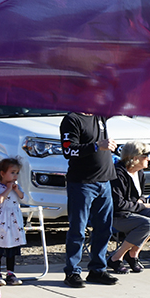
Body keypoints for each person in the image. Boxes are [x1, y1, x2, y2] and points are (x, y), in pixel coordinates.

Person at [60, 111, 118, 287]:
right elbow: (68, 150)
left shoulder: (100, 115)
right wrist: (96, 145)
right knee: (78, 228)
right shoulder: (72, 120)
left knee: (104, 228)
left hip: (104, 181)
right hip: (82, 183)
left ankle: (97, 270)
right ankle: (72, 272)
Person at [107, 141, 150, 274]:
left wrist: (142, 201)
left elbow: (141, 196)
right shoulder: (118, 174)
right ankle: (116, 257)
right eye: (146, 155)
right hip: (117, 216)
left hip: (131, 212)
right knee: (147, 223)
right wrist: (141, 205)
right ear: (135, 158)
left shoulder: (139, 173)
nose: (148, 159)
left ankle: (133, 254)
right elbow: (118, 204)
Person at [0, 157, 26, 285]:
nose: (15, 175)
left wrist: (15, 189)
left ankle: (11, 272)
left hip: (14, 220)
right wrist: (8, 189)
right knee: (0, 245)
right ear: (3, 174)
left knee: (12, 246)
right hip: (1, 220)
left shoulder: (17, 187)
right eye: (12, 172)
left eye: (17, 173)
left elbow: (22, 197)